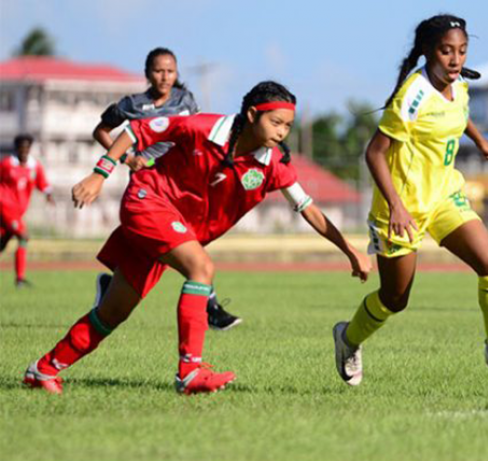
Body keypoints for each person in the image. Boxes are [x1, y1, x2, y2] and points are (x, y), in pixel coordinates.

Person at [23, 81, 371, 395]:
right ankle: (189, 372)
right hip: (149, 202)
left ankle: (43, 370)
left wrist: (350, 250)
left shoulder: (272, 164)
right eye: (275, 122)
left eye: (287, 126)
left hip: (174, 229)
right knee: (201, 267)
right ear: (252, 114)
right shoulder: (201, 126)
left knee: (112, 313)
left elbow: (309, 208)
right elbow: (134, 130)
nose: (282, 132)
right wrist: (99, 174)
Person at [332, 14, 488, 387]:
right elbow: (375, 153)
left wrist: (480, 140)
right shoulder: (412, 94)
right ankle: (347, 339)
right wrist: (395, 205)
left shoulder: (459, 85)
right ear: (427, 51)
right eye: (446, 51)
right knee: (395, 299)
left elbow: (458, 114)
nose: (455, 59)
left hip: (445, 197)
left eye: (462, 51)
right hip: (402, 207)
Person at [92, 47, 240, 330]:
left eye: (170, 71)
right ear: (148, 73)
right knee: (178, 244)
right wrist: (127, 157)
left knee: (166, 246)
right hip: (150, 184)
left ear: (177, 73)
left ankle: (111, 284)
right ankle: (211, 307)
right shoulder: (132, 104)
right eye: (159, 71)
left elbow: (199, 133)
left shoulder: (186, 100)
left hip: (181, 182)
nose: (164, 76)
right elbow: (101, 131)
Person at [0, 134, 54, 288]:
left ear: (30, 148)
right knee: (23, 237)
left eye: (27, 147)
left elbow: (43, 183)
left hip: (18, 212)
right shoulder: (7, 164)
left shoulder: (34, 166)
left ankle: (19, 279)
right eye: (21, 147)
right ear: (16, 148)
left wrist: (48, 195)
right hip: (4, 206)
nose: (24, 150)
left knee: (2, 243)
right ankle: (20, 279)